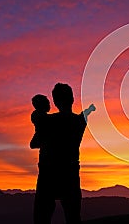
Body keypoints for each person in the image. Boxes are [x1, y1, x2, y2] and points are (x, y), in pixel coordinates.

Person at [31, 83, 95, 224]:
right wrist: (89, 110)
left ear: (54, 102)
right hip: (70, 175)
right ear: (72, 99)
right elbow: (84, 115)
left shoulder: (48, 121)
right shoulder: (80, 121)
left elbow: (34, 143)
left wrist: (38, 118)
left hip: (48, 176)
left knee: (41, 218)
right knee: (73, 217)